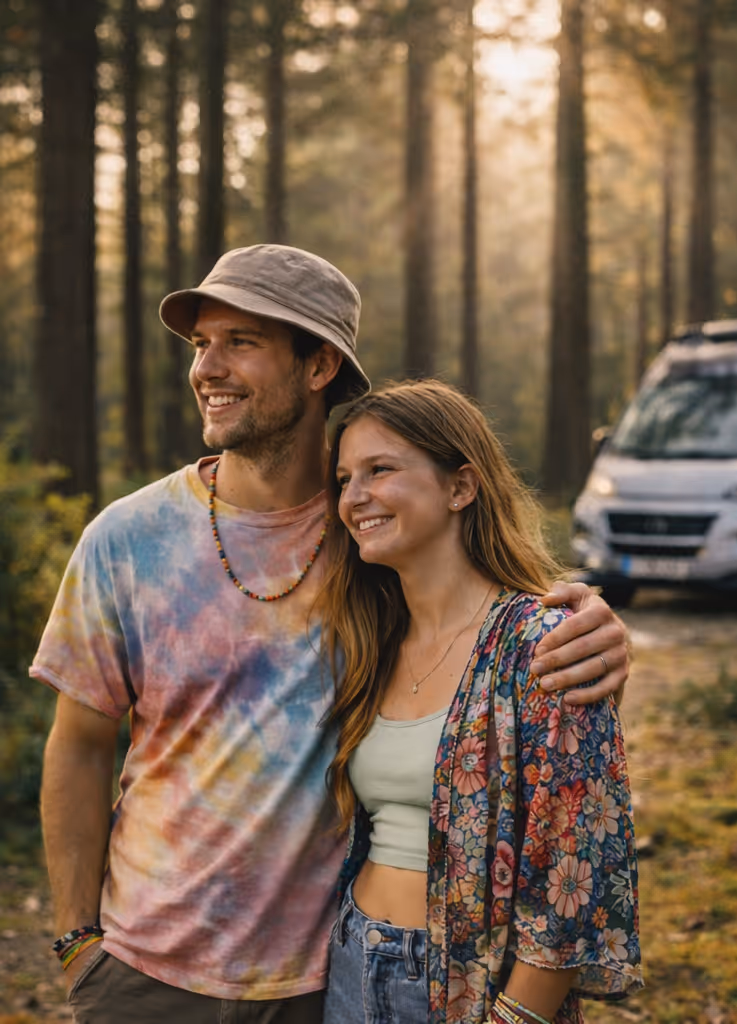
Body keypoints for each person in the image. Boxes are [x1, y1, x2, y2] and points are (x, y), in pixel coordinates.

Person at [31, 244, 632, 1024]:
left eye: (240, 342)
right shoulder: (126, 538)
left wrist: (594, 629)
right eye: (200, 344)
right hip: (146, 975)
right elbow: (78, 742)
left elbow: (488, 621)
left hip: (326, 979)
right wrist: (78, 941)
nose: (207, 367)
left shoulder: (379, 536)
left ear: (318, 365)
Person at [319, 380, 642, 1024]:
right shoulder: (371, 644)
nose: (353, 498)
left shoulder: (543, 643)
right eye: (344, 478)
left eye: (380, 470)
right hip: (352, 959)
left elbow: (571, 877)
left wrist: (515, 1016)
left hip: (469, 986)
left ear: (460, 487)